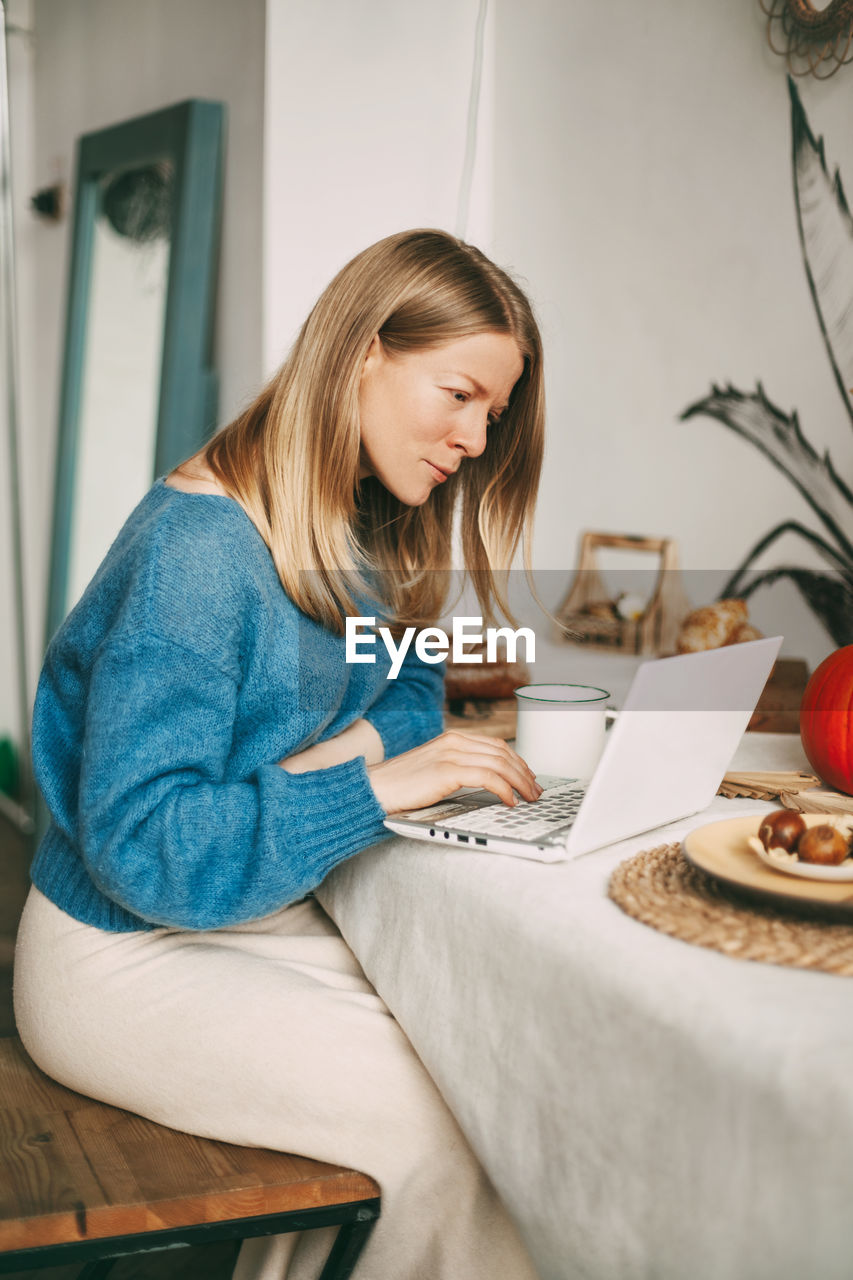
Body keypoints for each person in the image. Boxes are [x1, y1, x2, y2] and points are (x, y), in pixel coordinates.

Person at [14, 228, 545, 1279]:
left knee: (490, 1071)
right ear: (362, 355)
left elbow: (414, 687)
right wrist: (369, 783)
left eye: (493, 411)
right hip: (120, 949)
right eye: (459, 394)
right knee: (450, 1136)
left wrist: (328, 763)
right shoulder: (200, 557)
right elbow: (146, 848)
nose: (477, 439)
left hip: (246, 909)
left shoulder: (353, 522)